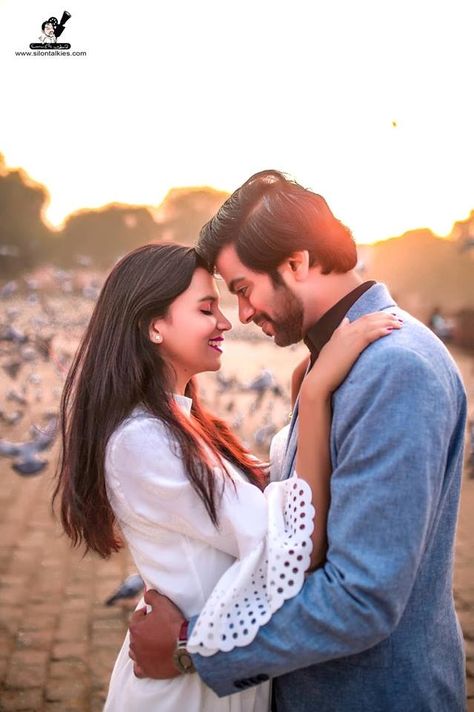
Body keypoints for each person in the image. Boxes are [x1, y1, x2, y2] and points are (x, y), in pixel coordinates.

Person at [129, 171, 468, 712]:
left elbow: (362, 597)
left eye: (243, 288)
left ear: (296, 262)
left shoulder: (392, 368)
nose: (242, 314)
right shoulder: (330, 365)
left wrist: (191, 650)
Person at [53, 242, 399, 712]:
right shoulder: (144, 439)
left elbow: (267, 489)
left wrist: (303, 390)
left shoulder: (179, 423)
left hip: (211, 679)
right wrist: (316, 397)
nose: (226, 321)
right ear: (153, 325)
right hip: (184, 695)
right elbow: (286, 543)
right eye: (206, 308)